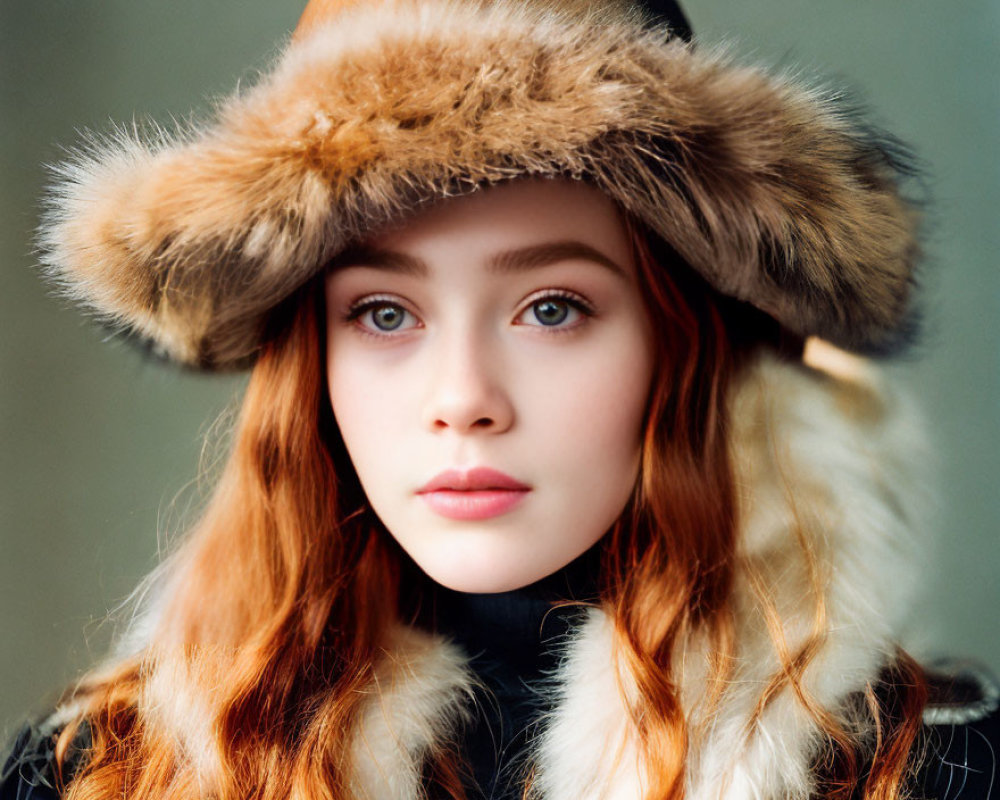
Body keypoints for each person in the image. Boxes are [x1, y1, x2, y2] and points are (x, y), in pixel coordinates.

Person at [3, 0, 997, 798]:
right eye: (384, 313)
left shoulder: (921, 766)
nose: (463, 399)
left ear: (681, 343)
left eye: (551, 307)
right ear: (311, 365)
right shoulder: (100, 770)